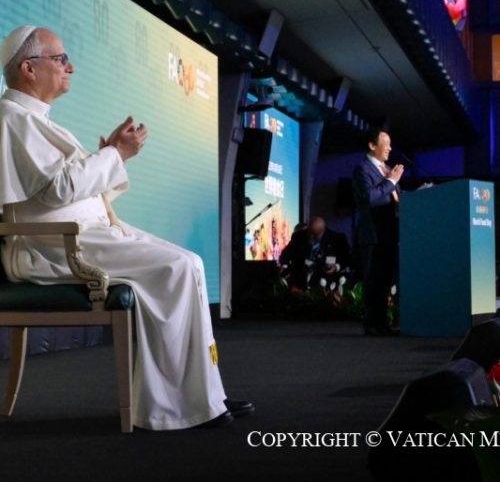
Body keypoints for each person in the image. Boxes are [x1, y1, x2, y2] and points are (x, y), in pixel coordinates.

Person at [0, 26, 254, 429]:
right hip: (52, 247)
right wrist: (113, 155)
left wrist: (112, 156)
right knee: (178, 268)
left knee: (191, 263)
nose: (70, 67)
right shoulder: (12, 119)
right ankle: (173, 407)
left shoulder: (34, 119)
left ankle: (203, 396)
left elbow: (67, 188)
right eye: (61, 59)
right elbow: (58, 190)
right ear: (29, 69)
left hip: (82, 236)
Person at [352, 128, 404, 336]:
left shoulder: (387, 169)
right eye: (386, 144)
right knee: (374, 281)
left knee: (384, 281)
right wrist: (391, 182)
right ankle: (372, 324)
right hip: (373, 234)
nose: (390, 148)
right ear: (372, 145)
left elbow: (395, 198)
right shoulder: (362, 169)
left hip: (389, 234)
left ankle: (382, 324)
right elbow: (368, 197)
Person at [279, 216, 350, 290]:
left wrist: (336, 267)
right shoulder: (298, 236)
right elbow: (285, 256)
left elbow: (347, 259)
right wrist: (286, 268)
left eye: (313, 234)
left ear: (322, 231)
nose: (310, 235)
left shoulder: (337, 239)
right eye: (309, 231)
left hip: (325, 284)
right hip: (300, 282)